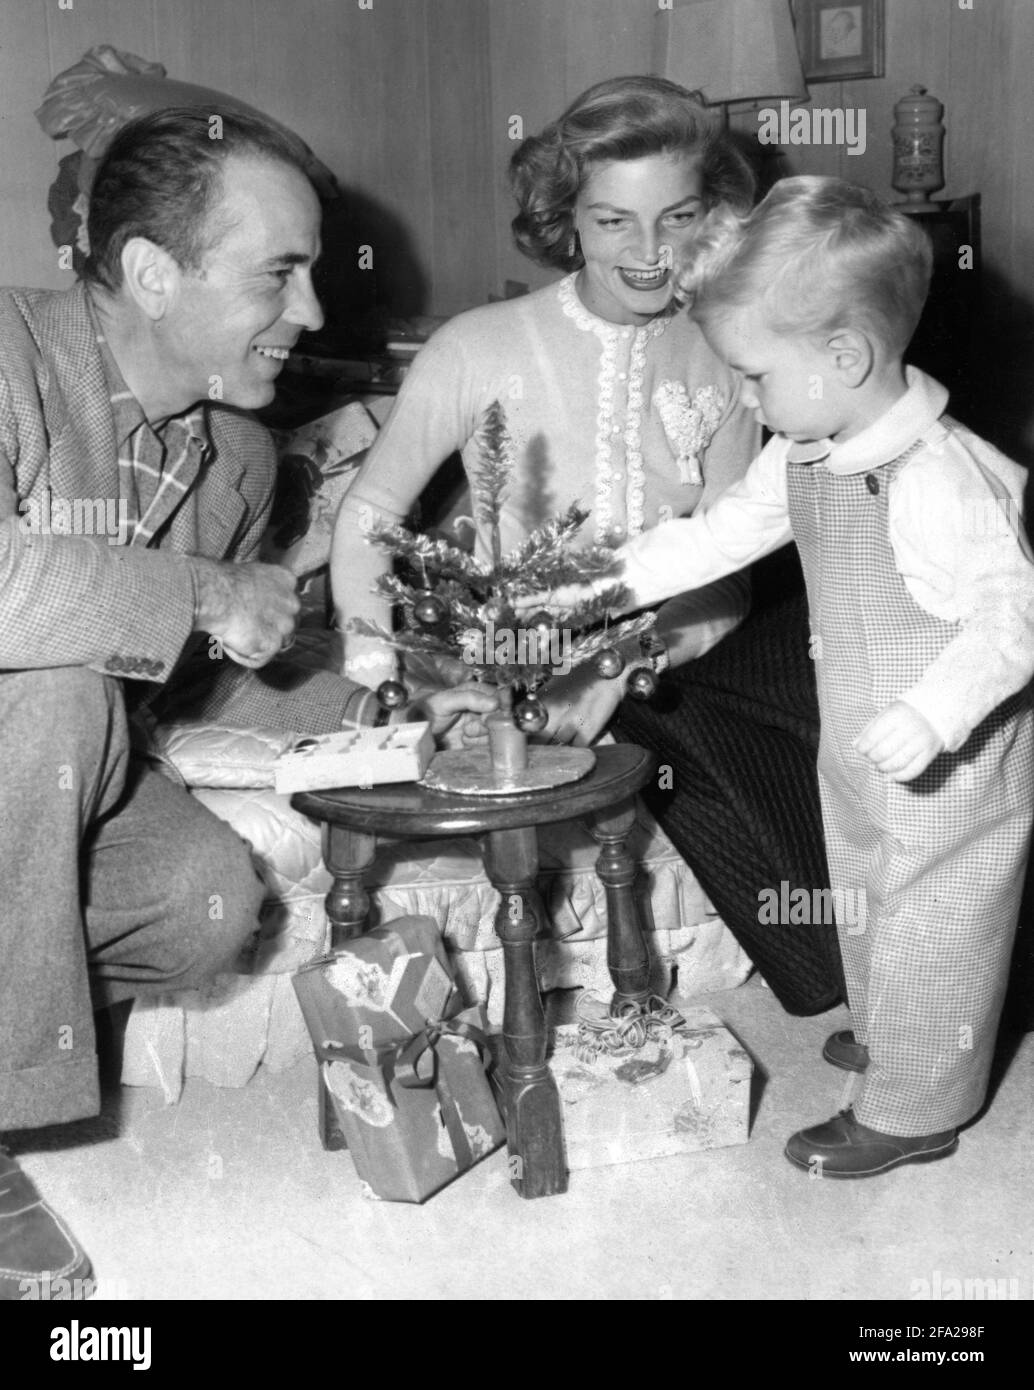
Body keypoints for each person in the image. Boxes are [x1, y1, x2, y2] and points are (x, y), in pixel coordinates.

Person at [0, 106, 495, 1301]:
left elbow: (212, 672)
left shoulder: (238, 458)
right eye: (280, 272)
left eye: (314, 272)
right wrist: (202, 587)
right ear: (150, 273)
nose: (316, 311)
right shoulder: (6, 358)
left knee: (209, 900)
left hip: (44, 795)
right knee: (62, 685)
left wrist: (402, 705)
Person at [532, 176, 1034, 1176]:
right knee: (858, 882)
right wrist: (597, 585)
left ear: (843, 355)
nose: (743, 400)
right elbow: (716, 538)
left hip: (948, 744)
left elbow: (1012, 616)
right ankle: (897, 1034)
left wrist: (935, 714)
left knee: (934, 910)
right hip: (855, 734)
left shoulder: (936, 476)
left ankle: (913, 1104)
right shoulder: (806, 449)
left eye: (753, 376)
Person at [331, 75, 844, 1015]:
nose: (651, 254)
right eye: (613, 222)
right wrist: (377, 670)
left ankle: (908, 968)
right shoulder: (477, 344)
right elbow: (371, 513)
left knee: (839, 653)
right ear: (564, 218)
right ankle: (845, 972)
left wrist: (623, 658)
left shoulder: (732, 344)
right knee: (685, 726)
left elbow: (730, 569)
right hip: (515, 656)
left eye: (679, 216)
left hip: (677, 650)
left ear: (714, 214)